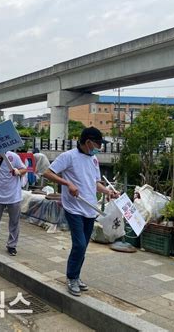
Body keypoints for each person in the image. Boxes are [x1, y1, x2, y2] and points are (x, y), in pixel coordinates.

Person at [43, 127, 119, 297]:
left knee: (83, 246)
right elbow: (47, 173)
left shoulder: (94, 160)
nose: (100, 147)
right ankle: (71, 278)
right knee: (79, 244)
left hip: (90, 209)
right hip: (74, 207)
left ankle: (76, 276)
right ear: (88, 142)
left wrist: (108, 192)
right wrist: (67, 184)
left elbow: (95, 183)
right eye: (98, 143)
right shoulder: (68, 156)